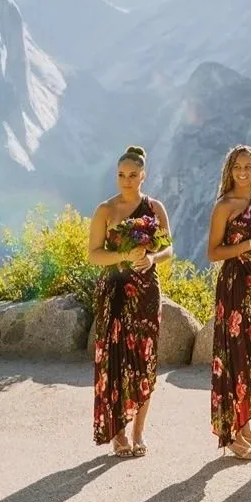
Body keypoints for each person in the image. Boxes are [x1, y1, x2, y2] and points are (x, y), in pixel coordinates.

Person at [88, 145, 173, 458]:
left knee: (145, 361)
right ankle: (119, 432)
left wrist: (151, 259)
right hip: (115, 291)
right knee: (117, 360)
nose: (126, 179)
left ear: (143, 176)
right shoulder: (105, 211)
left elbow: (168, 249)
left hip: (147, 292)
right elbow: (93, 254)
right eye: (121, 174)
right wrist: (124, 255)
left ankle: (139, 430)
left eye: (133, 175)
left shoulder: (154, 208)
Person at [206, 144, 251, 460]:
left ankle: (246, 427)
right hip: (234, 286)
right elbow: (213, 253)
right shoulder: (224, 205)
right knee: (233, 356)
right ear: (230, 170)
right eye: (237, 167)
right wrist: (250, 244)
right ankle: (230, 434)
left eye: (248, 167)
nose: (243, 173)